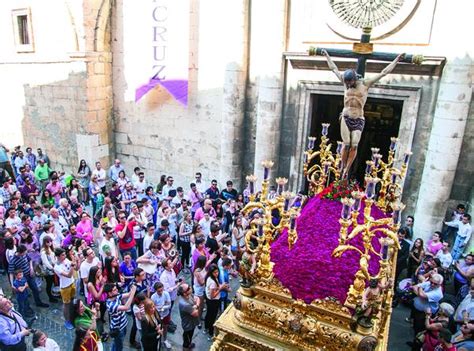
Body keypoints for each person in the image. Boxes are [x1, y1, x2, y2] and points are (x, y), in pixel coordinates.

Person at [321, 49, 405, 178]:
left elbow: (383, 73)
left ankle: (346, 169)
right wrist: (327, 56)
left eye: (350, 83)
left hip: (358, 117)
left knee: (354, 145)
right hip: (346, 116)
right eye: (346, 83)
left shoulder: (365, 84)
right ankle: (342, 166)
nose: (348, 85)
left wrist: (396, 60)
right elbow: (334, 69)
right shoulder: (345, 83)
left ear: (354, 79)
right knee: (346, 144)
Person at [9, 245, 49, 309]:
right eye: (24, 253)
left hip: (29, 274)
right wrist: (12, 284)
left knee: (35, 289)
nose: (25, 253)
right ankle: (26, 308)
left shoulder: (24, 254)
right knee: (24, 293)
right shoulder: (13, 260)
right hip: (22, 278)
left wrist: (31, 268)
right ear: (20, 252)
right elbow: (11, 272)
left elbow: (29, 259)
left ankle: (38, 302)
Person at [105, 283, 137, 351]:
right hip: (118, 328)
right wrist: (133, 293)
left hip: (123, 325)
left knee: (117, 343)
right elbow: (126, 307)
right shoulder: (111, 305)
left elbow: (128, 294)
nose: (117, 290)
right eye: (114, 290)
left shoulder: (116, 296)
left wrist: (132, 287)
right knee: (119, 346)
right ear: (110, 293)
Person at [53, 247, 76, 330]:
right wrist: (72, 266)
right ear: (58, 256)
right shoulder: (56, 267)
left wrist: (73, 260)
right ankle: (67, 320)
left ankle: (73, 315)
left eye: (65, 254)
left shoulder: (65, 260)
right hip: (65, 287)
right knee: (66, 304)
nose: (65, 256)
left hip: (72, 283)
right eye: (63, 255)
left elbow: (72, 265)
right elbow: (69, 275)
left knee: (72, 300)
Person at [205, 263, 228, 339]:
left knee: (208, 314)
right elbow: (212, 296)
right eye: (215, 272)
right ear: (211, 273)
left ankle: (206, 328)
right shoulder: (212, 282)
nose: (217, 273)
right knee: (212, 317)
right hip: (213, 301)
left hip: (209, 300)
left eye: (217, 271)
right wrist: (221, 288)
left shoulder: (210, 278)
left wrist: (220, 286)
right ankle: (211, 333)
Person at [178, 283, 200, 351]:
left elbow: (197, 298)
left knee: (190, 336)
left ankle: (189, 344)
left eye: (189, 286)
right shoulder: (184, 304)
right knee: (186, 339)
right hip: (188, 325)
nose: (190, 288)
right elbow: (196, 314)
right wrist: (197, 306)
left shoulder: (189, 295)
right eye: (188, 288)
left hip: (192, 322)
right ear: (184, 293)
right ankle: (186, 348)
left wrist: (196, 306)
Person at [151, 282, 172, 349]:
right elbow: (153, 307)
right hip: (157, 316)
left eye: (161, 290)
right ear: (155, 290)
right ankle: (157, 341)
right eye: (159, 291)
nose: (160, 292)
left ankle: (165, 340)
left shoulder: (166, 294)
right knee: (157, 328)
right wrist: (162, 306)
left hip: (165, 314)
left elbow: (169, 305)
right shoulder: (153, 297)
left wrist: (162, 307)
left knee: (165, 327)